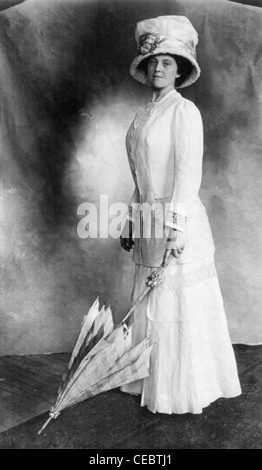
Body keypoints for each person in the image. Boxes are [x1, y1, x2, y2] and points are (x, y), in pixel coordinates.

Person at [120, 16, 241, 414]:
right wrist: (130, 221)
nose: (159, 68)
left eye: (168, 62)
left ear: (182, 68)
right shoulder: (141, 117)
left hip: (176, 218)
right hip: (148, 222)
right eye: (154, 61)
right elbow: (141, 178)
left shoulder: (184, 112)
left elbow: (187, 176)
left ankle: (179, 391)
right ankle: (149, 380)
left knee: (175, 303)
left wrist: (177, 229)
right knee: (150, 298)